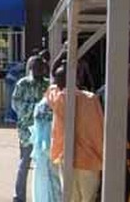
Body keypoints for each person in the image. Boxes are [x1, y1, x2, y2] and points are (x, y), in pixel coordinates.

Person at [46, 66, 103, 202]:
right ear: (76, 80)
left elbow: (52, 84)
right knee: (88, 198)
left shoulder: (56, 98)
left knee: (70, 198)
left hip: (66, 157)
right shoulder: (91, 99)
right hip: (90, 158)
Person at [11, 55, 49, 202]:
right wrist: (36, 108)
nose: (39, 70)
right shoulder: (22, 84)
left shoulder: (47, 84)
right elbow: (16, 105)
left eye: (41, 67)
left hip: (44, 131)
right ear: (31, 68)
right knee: (24, 163)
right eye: (36, 67)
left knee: (44, 166)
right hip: (27, 131)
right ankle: (19, 196)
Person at [31, 97, 62, 202]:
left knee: (43, 183)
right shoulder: (57, 101)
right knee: (53, 183)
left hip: (42, 150)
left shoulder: (42, 103)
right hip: (49, 148)